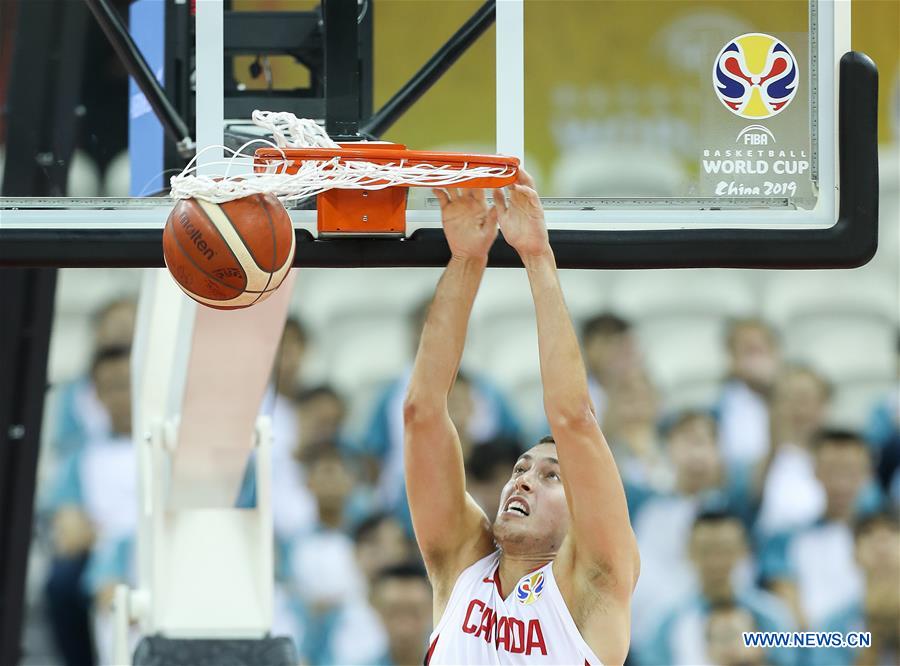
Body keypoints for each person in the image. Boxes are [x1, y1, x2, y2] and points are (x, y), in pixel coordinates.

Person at [403, 173, 640, 665]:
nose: (524, 480)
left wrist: (536, 257)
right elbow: (422, 412)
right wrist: (467, 259)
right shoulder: (462, 563)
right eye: (521, 469)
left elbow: (574, 418)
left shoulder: (595, 582)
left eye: (551, 475)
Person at [641, 510, 796, 666]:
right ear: (689, 551)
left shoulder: (770, 616)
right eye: (706, 550)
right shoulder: (668, 623)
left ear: (743, 550)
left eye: (724, 549)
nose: (716, 561)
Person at [810, 509, 899, 666]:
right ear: (854, 553)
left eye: (892, 531)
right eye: (869, 533)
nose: (881, 543)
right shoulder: (835, 625)